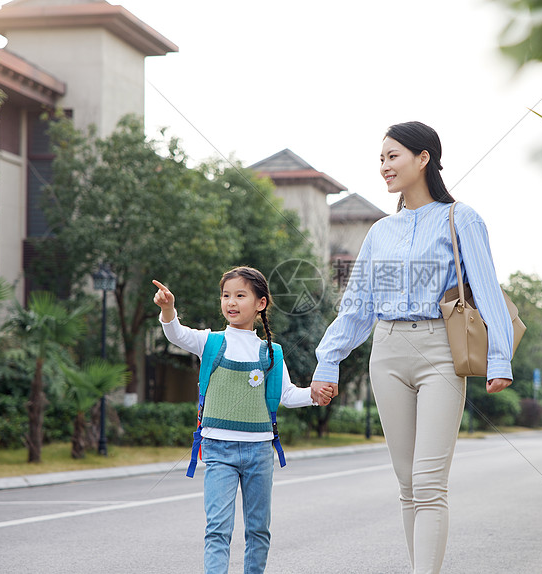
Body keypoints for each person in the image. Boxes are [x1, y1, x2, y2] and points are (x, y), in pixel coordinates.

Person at [311, 121, 515, 573]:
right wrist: (328, 361)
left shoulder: (462, 218)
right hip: (386, 353)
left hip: (439, 351)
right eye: (380, 159)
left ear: (423, 158)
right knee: (407, 485)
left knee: (428, 483)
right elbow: (357, 306)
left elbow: (485, 290)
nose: (384, 167)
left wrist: (499, 358)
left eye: (392, 156)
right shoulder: (381, 231)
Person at [152, 267, 333, 574]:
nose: (231, 302)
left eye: (240, 295)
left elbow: (287, 395)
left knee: (259, 531)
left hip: (259, 453)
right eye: (226, 295)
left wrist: (315, 394)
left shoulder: (271, 352)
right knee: (218, 529)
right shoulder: (210, 342)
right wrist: (169, 309)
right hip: (218, 450)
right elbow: (176, 334)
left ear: (260, 303)